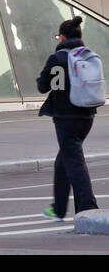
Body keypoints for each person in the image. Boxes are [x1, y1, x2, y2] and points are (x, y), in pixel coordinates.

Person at [37, 16, 99, 220]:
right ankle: (58, 209)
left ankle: (88, 208)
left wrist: (42, 77)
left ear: (62, 37)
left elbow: (46, 87)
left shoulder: (58, 58)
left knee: (74, 162)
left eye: (58, 36)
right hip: (87, 115)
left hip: (66, 118)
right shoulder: (89, 55)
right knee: (63, 162)